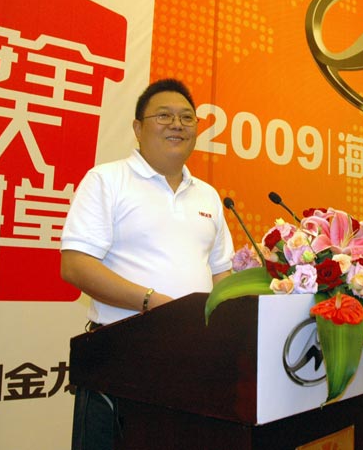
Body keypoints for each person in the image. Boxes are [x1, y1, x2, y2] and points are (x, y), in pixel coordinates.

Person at [60, 78, 234, 449]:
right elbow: (75, 265)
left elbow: (222, 272)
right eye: (164, 116)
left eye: (187, 117)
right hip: (122, 355)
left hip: (194, 356)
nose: (177, 124)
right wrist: (152, 303)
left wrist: (222, 323)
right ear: (138, 128)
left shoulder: (207, 195)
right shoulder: (107, 180)